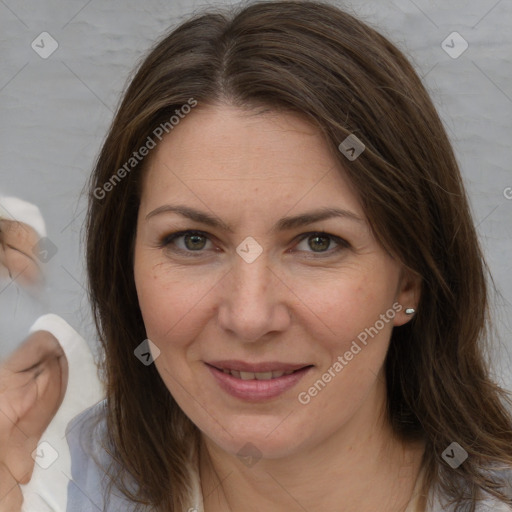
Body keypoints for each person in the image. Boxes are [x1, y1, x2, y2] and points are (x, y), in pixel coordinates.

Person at [19, 0, 512, 511]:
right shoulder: (45, 482)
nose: (249, 317)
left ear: (409, 279)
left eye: (318, 242)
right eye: (192, 240)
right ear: (126, 266)